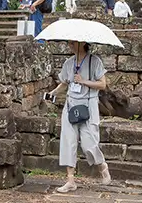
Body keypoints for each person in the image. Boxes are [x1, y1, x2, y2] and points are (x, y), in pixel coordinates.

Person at [50, 40, 111, 193]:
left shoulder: (94, 61)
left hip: (88, 104)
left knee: (89, 143)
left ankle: (102, 165)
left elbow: (102, 84)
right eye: (69, 42)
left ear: (82, 43)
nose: (69, 45)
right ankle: (70, 180)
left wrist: (84, 81)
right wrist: (53, 94)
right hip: (71, 104)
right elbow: (64, 83)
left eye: (72, 42)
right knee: (68, 141)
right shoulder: (68, 62)